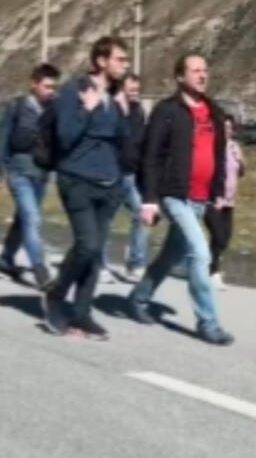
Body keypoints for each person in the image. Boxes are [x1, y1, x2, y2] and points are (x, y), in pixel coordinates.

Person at [127, 53, 234, 345]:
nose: (202, 75)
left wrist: (218, 191)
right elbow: (149, 156)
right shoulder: (167, 110)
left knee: (170, 256)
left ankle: (138, 298)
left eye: (204, 70)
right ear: (179, 76)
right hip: (174, 195)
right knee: (200, 253)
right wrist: (149, 198)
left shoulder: (214, 111)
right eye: (195, 70)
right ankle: (208, 323)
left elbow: (218, 155)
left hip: (201, 197)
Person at [42, 36, 131, 339]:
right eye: (120, 59)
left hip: (109, 184)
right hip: (77, 179)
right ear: (101, 61)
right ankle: (56, 295)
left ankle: (82, 314)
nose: (125, 65)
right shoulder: (73, 91)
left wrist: (123, 113)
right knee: (87, 244)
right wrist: (87, 109)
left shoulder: (116, 96)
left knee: (95, 253)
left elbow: (123, 140)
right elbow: (65, 136)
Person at [0, 63, 59, 287]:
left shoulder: (55, 110)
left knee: (24, 218)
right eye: (47, 86)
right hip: (18, 171)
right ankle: (40, 270)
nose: (51, 91)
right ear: (34, 84)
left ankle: (5, 260)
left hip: (42, 173)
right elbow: (3, 140)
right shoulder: (17, 107)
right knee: (32, 218)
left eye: (54, 87)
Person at [99, 72, 149, 283]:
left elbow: (141, 141)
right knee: (105, 221)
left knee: (142, 215)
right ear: (121, 88)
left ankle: (136, 263)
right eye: (131, 88)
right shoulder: (111, 108)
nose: (136, 92)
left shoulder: (138, 111)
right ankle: (99, 266)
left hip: (130, 175)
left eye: (138, 89)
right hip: (111, 174)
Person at [205, 114, 245, 290]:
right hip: (213, 199)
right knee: (218, 236)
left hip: (229, 201)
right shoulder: (213, 146)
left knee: (225, 238)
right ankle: (212, 271)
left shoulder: (234, 146)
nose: (227, 131)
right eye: (224, 127)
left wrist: (239, 159)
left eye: (230, 128)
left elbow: (241, 172)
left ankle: (209, 266)